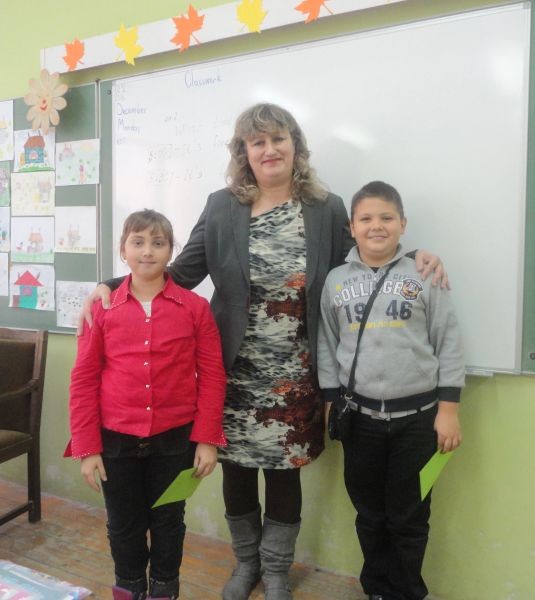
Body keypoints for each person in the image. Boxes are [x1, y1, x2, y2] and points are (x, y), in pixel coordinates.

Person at [80, 104, 448, 600]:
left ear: (295, 146)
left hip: (298, 370)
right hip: (231, 370)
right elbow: (180, 273)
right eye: (258, 142)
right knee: (235, 470)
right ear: (244, 152)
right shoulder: (221, 206)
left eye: (278, 139)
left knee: (283, 473)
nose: (269, 150)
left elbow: (367, 255)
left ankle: (276, 570)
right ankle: (245, 564)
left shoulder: (326, 207)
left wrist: (415, 256)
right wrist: (110, 285)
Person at [66, 210, 227, 600]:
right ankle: (129, 590)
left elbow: (212, 375)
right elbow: (84, 379)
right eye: (138, 242)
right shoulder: (101, 309)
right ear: (123, 250)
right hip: (115, 441)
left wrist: (207, 440)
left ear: (171, 251)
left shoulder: (195, 308)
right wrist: (87, 448)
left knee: (169, 522)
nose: (148, 251)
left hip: (175, 442)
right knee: (124, 526)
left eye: (158, 243)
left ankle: (164, 592)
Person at [317, 181, 465, 600]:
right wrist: (329, 401)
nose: (376, 226)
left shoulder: (425, 273)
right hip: (359, 419)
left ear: (403, 224)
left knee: (410, 517)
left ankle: (407, 591)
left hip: (417, 422)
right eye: (366, 218)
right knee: (369, 515)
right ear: (352, 227)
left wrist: (449, 410)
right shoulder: (335, 281)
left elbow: (448, 342)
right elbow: (327, 345)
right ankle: (377, 589)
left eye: (386, 217)